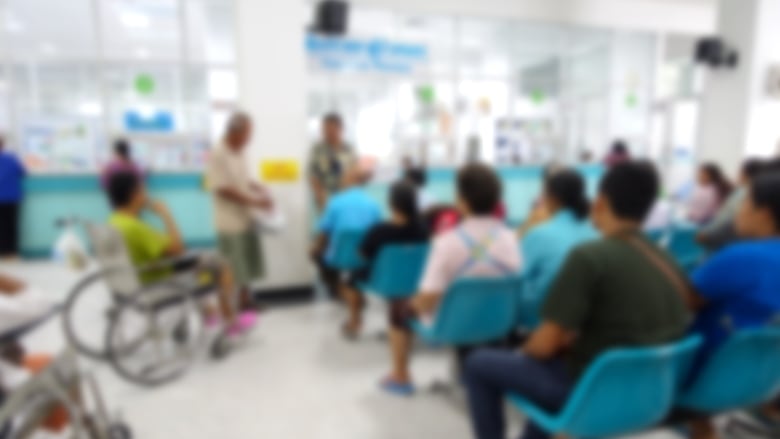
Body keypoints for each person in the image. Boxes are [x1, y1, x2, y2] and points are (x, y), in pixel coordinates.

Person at [464, 162, 691, 439]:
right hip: (651, 397)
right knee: (546, 386)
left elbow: (544, 345)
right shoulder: (668, 261)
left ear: (602, 201)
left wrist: (522, 353)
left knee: (478, 363)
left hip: (592, 392)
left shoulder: (589, 257)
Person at [381, 163, 522, 396]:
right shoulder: (511, 239)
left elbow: (427, 299)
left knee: (398, 308)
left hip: (453, 322)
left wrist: (412, 305)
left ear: (461, 200)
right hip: (498, 322)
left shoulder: (446, 242)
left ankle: (400, 376)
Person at [686, 171, 780, 439]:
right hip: (764, 381)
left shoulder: (741, 257)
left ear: (765, 214)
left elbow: (684, 299)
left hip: (705, 377)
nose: (738, 209)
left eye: (746, 201)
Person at [107, 172, 256, 334]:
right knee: (221, 266)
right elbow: (178, 249)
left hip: (134, 283)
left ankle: (209, 313)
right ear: (134, 194)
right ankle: (230, 322)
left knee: (199, 262)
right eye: (143, 190)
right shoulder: (135, 227)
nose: (146, 195)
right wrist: (166, 215)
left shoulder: (114, 221)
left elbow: (161, 248)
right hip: (157, 284)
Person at [339, 180, 429, 338]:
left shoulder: (379, 230)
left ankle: (354, 323)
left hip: (383, 281)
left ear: (391, 203)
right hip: (415, 281)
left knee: (349, 278)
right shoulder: (424, 229)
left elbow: (362, 256)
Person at [207, 112, 272, 311]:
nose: (250, 139)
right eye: (248, 134)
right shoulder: (218, 153)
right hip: (229, 222)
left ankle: (245, 300)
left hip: (246, 218)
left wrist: (255, 186)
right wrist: (255, 201)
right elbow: (222, 189)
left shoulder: (241, 150)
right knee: (232, 267)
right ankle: (230, 305)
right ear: (235, 132)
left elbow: (241, 179)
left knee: (248, 264)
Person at [518, 169, 598, 327]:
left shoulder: (539, 234)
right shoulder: (596, 235)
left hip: (538, 323)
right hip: (582, 324)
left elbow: (517, 278)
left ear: (552, 198)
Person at [310, 161, 383, 301]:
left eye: (344, 176)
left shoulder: (335, 202)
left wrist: (315, 249)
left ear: (350, 179)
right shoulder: (373, 204)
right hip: (364, 256)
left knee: (316, 254)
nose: (341, 180)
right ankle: (356, 288)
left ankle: (339, 290)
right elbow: (376, 233)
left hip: (339, 256)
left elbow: (323, 233)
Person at [697, 159, 764, 251]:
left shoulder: (743, 193)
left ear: (745, 174)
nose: (698, 176)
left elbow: (726, 219)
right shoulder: (742, 191)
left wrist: (707, 234)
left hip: (719, 239)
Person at [308, 113, 357, 212]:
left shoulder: (349, 149)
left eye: (330, 129)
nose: (326, 132)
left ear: (340, 129)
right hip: (325, 197)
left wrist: (348, 196)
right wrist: (320, 195)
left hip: (347, 197)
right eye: (324, 129)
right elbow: (313, 175)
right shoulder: (317, 150)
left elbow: (355, 173)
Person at [0, 137, 26, 260]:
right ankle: (12, 252)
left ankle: (2, 251)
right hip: (12, 197)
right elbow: (23, 172)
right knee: (12, 225)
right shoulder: (11, 158)